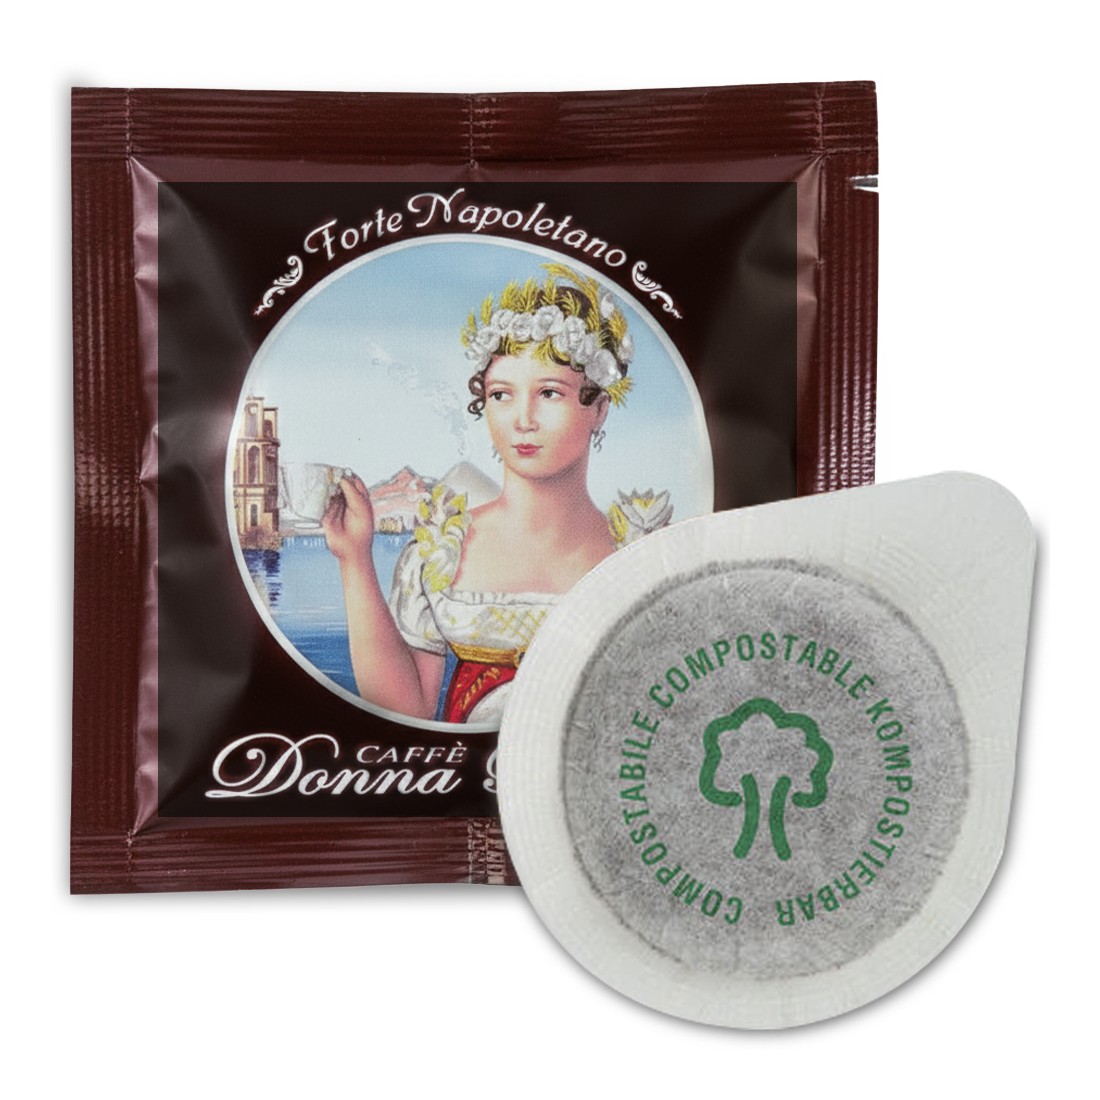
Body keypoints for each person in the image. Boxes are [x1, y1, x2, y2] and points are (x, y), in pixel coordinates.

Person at [323, 264, 670, 724]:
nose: (522, 420)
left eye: (549, 393)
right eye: (501, 395)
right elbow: (406, 710)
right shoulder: (437, 553)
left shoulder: (642, 554)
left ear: (599, 409)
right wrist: (354, 558)